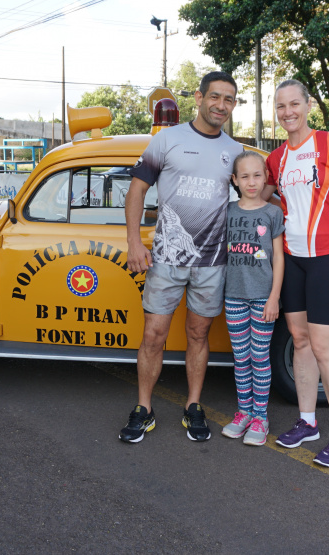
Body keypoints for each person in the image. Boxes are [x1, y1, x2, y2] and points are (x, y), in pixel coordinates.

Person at [119, 71, 243, 443]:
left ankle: (193, 406)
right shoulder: (168, 139)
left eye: (229, 100)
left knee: (198, 334)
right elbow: (137, 190)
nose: (221, 105)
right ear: (199, 97)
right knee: (154, 335)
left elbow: (257, 193)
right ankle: (144, 408)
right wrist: (134, 243)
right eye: (215, 97)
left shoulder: (235, 152)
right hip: (166, 260)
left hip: (211, 263)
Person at [264, 79, 329, 467]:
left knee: (324, 347)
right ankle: (308, 422)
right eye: (281, 106)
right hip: (292, 259)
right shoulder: (276, 159)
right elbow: (265, 192)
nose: (288, 112)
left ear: (307, 105)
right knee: (300, 341)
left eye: (294, 104)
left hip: (328, 257)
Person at [219, 151, 285, 446]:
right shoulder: (228, 211)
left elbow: (279, 259)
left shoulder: (272, 213)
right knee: (241, 358)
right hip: (233, 296)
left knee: (259, 357)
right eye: (244, 176)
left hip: (262, 298)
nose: (251, 181)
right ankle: (243, 412)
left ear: (266, 178)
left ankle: (261, 416)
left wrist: (274, 298)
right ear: (234, 180)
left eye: (257, 175)